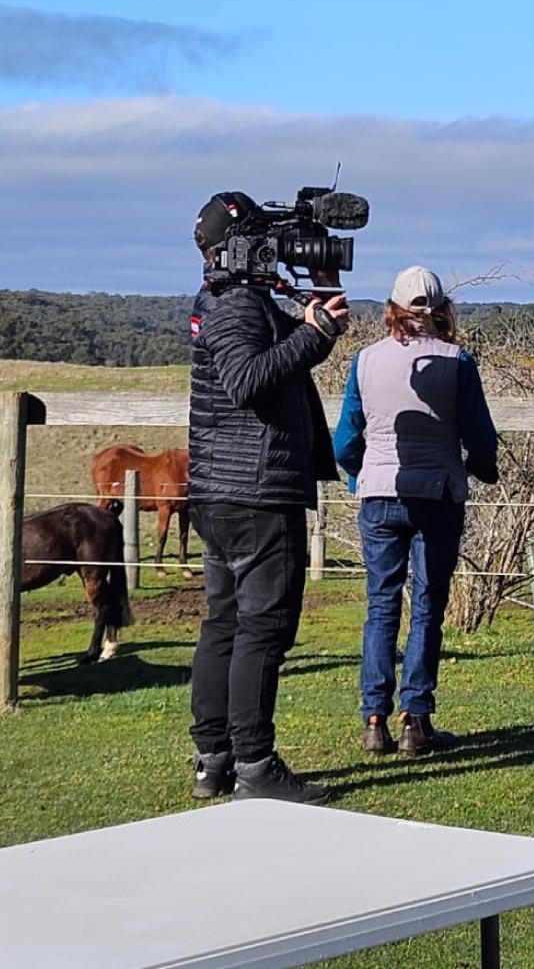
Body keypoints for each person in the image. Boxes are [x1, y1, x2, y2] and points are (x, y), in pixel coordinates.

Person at [187, 191, 350, 805]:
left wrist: (319, 313)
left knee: (225, 625)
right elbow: (248, 379)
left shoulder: (228, 301)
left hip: (224, 488)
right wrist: (309, 335)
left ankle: (215, 759)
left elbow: (284, 353)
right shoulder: (235, 308)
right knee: (262, 630)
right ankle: (254, 765)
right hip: (254, 492)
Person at [334, 265, 498, 757]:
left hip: (381, 492)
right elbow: (480, 435)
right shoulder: (458, 362)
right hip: (439, 493)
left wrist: (359, 473)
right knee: (427, 606)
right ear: (442, 309)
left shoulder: (364, 361)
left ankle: (373, 718)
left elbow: (345, 439)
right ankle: (417, 718)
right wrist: (480, 468)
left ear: (394, 309)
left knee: (380, 604)